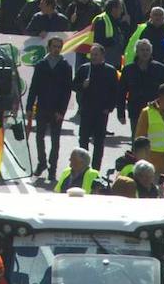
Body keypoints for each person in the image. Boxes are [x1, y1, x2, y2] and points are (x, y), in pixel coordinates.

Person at [27, 35, 72, 184]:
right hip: (42, 107)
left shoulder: (65, 66)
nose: (56, 49)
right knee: (39, 137)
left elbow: (67, 91)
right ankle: (42, 162)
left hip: (56, 109)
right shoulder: (41, 64)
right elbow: (34, 87)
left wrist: (62, 111)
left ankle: (52, 169)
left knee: (55, 139)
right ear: (49, 47)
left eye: (59, 47)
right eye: (54, 46)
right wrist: (29, 107)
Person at [74, 44, 121, 171]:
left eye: (96, 54)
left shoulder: (110, 70)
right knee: (83, 139)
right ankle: (83, 166)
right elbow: (74, 85)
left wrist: (109, 108)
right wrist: (82, 85)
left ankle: (95, 168)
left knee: (99, 142)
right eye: (92, 54)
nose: (93, 57)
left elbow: (115, 91)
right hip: (86, 110)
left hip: (101, 111)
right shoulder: (85, 69)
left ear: (102, 55)